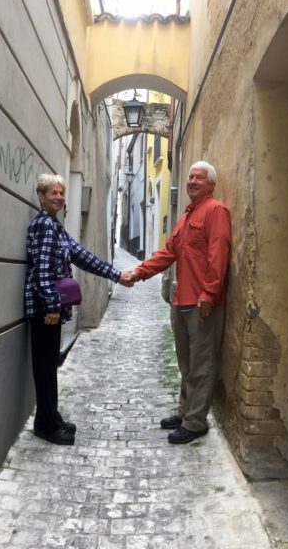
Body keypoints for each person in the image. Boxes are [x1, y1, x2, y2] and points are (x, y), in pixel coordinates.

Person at [125, 161, 231, 444]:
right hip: (181, 300)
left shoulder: (215, 211)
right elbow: (167, 253)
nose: (193, 182)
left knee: (202, 363)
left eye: (199, 178)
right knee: (186, 362)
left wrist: (209, 293)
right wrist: (139, 272)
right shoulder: (186, 217)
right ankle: (185, 411)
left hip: (201, 303)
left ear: (211, 183)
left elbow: (218, 255)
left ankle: (196, 422)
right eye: (190, 177)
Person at [24, 173, 133, 445]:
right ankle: (46, 426)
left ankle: (51, 417)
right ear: (41, 196)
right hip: (44, 310)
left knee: (49, 365)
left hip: (50, 309)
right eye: (53, 193)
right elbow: (42, 271)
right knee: (45, 367)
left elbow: (82, 256)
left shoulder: (56, 226)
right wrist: (51, 305)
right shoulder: (44, 226)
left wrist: (115, 275)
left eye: (62, 192)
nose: (59, 197)